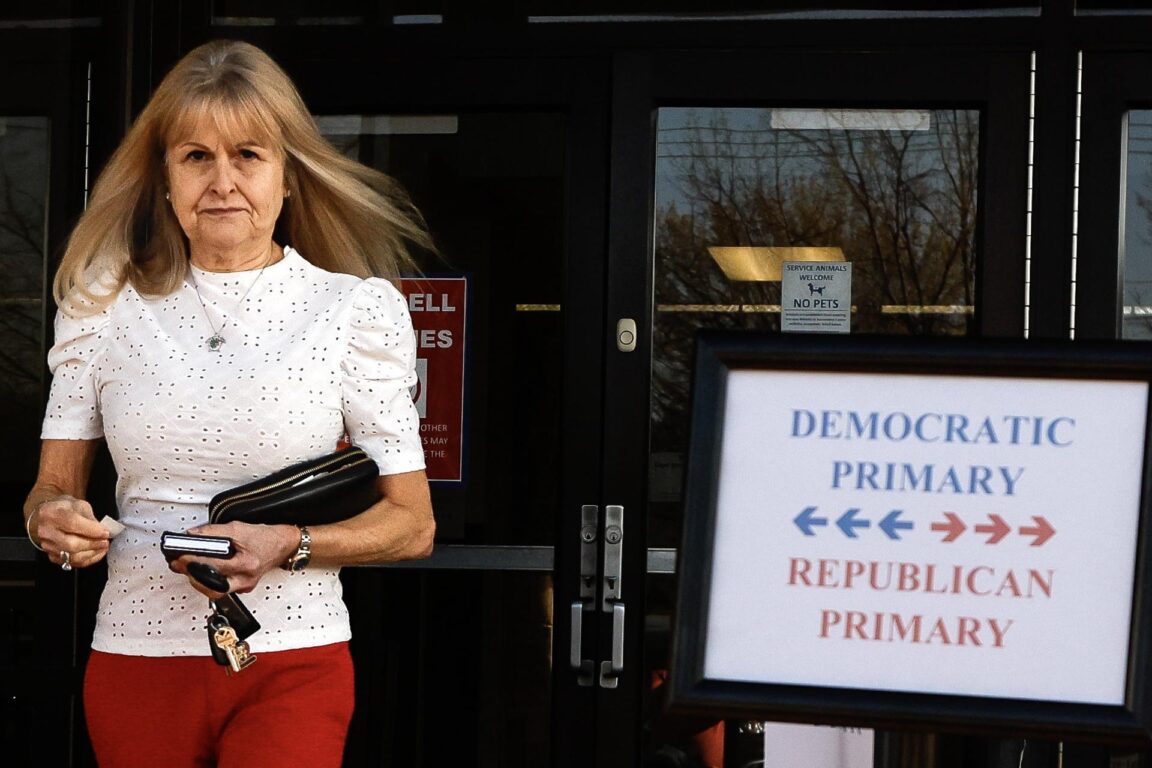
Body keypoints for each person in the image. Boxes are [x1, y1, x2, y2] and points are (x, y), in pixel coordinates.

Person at [21, 39, 436, 767]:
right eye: (196, 157)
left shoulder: (353, 311)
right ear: (164, 178)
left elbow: (412, 525)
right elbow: (53, 487)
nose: (223, 182)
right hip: (135, 657)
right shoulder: (101, 305)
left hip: (294, 661)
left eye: (248, 154)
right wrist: (51, 521)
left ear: (288, 176)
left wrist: (290, 545)